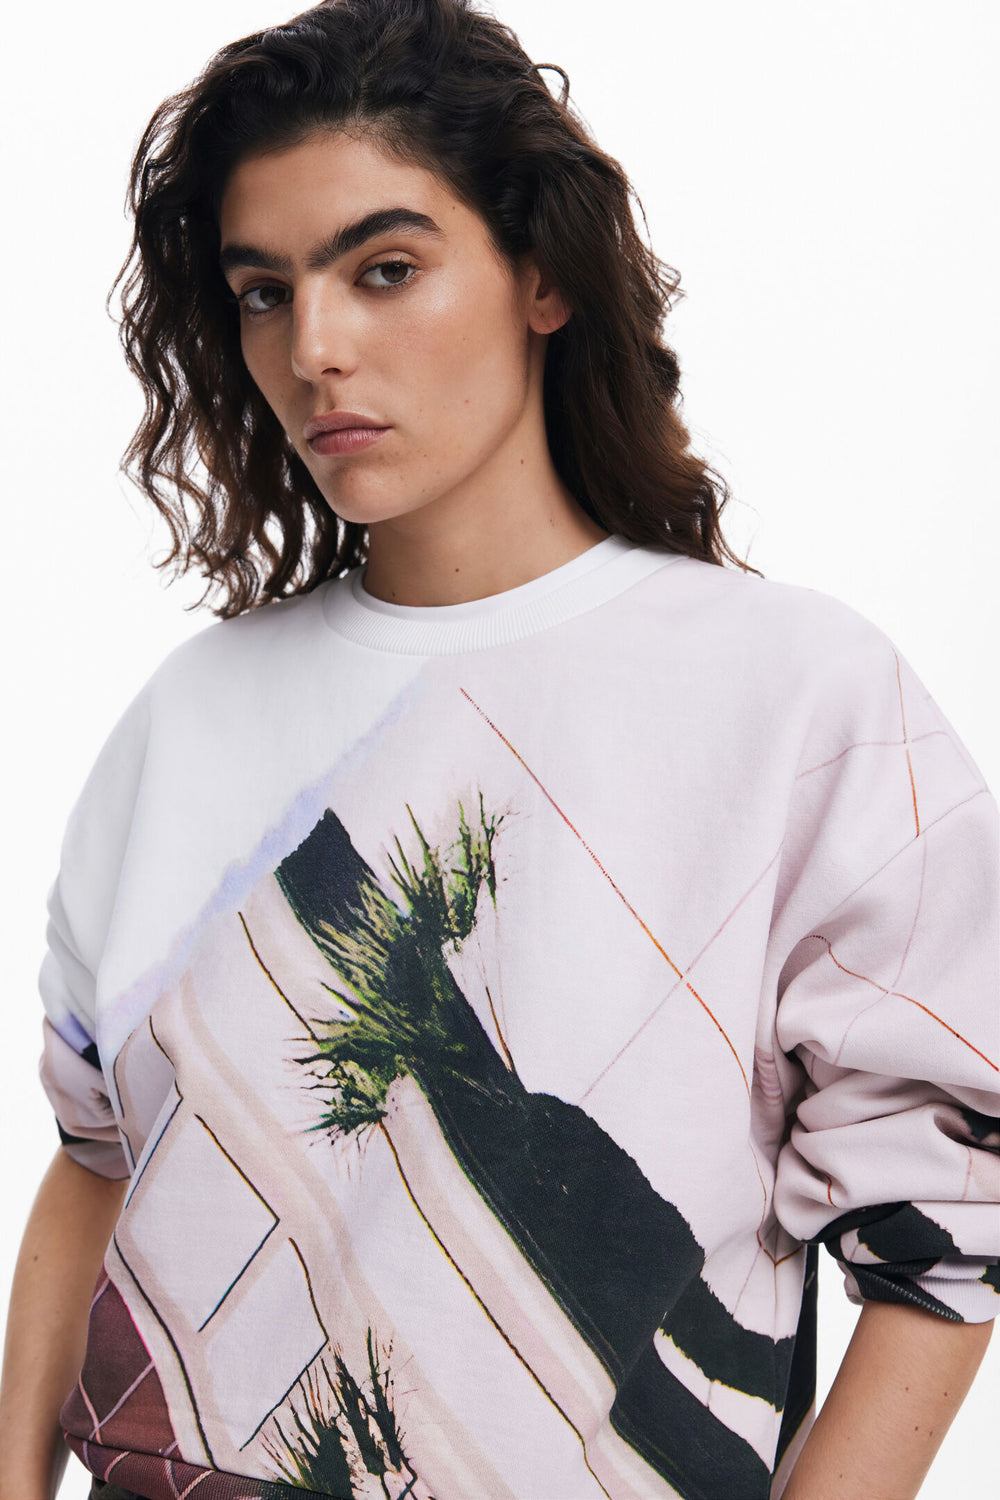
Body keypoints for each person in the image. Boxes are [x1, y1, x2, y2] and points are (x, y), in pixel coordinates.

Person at [1, 0, 997, 1496]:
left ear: (541, 277)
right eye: (264, 292)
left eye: (384, 269)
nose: (315, 347)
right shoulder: (190, 717)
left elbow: (949, 1221)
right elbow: (96, 1161)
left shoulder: (795, 695)